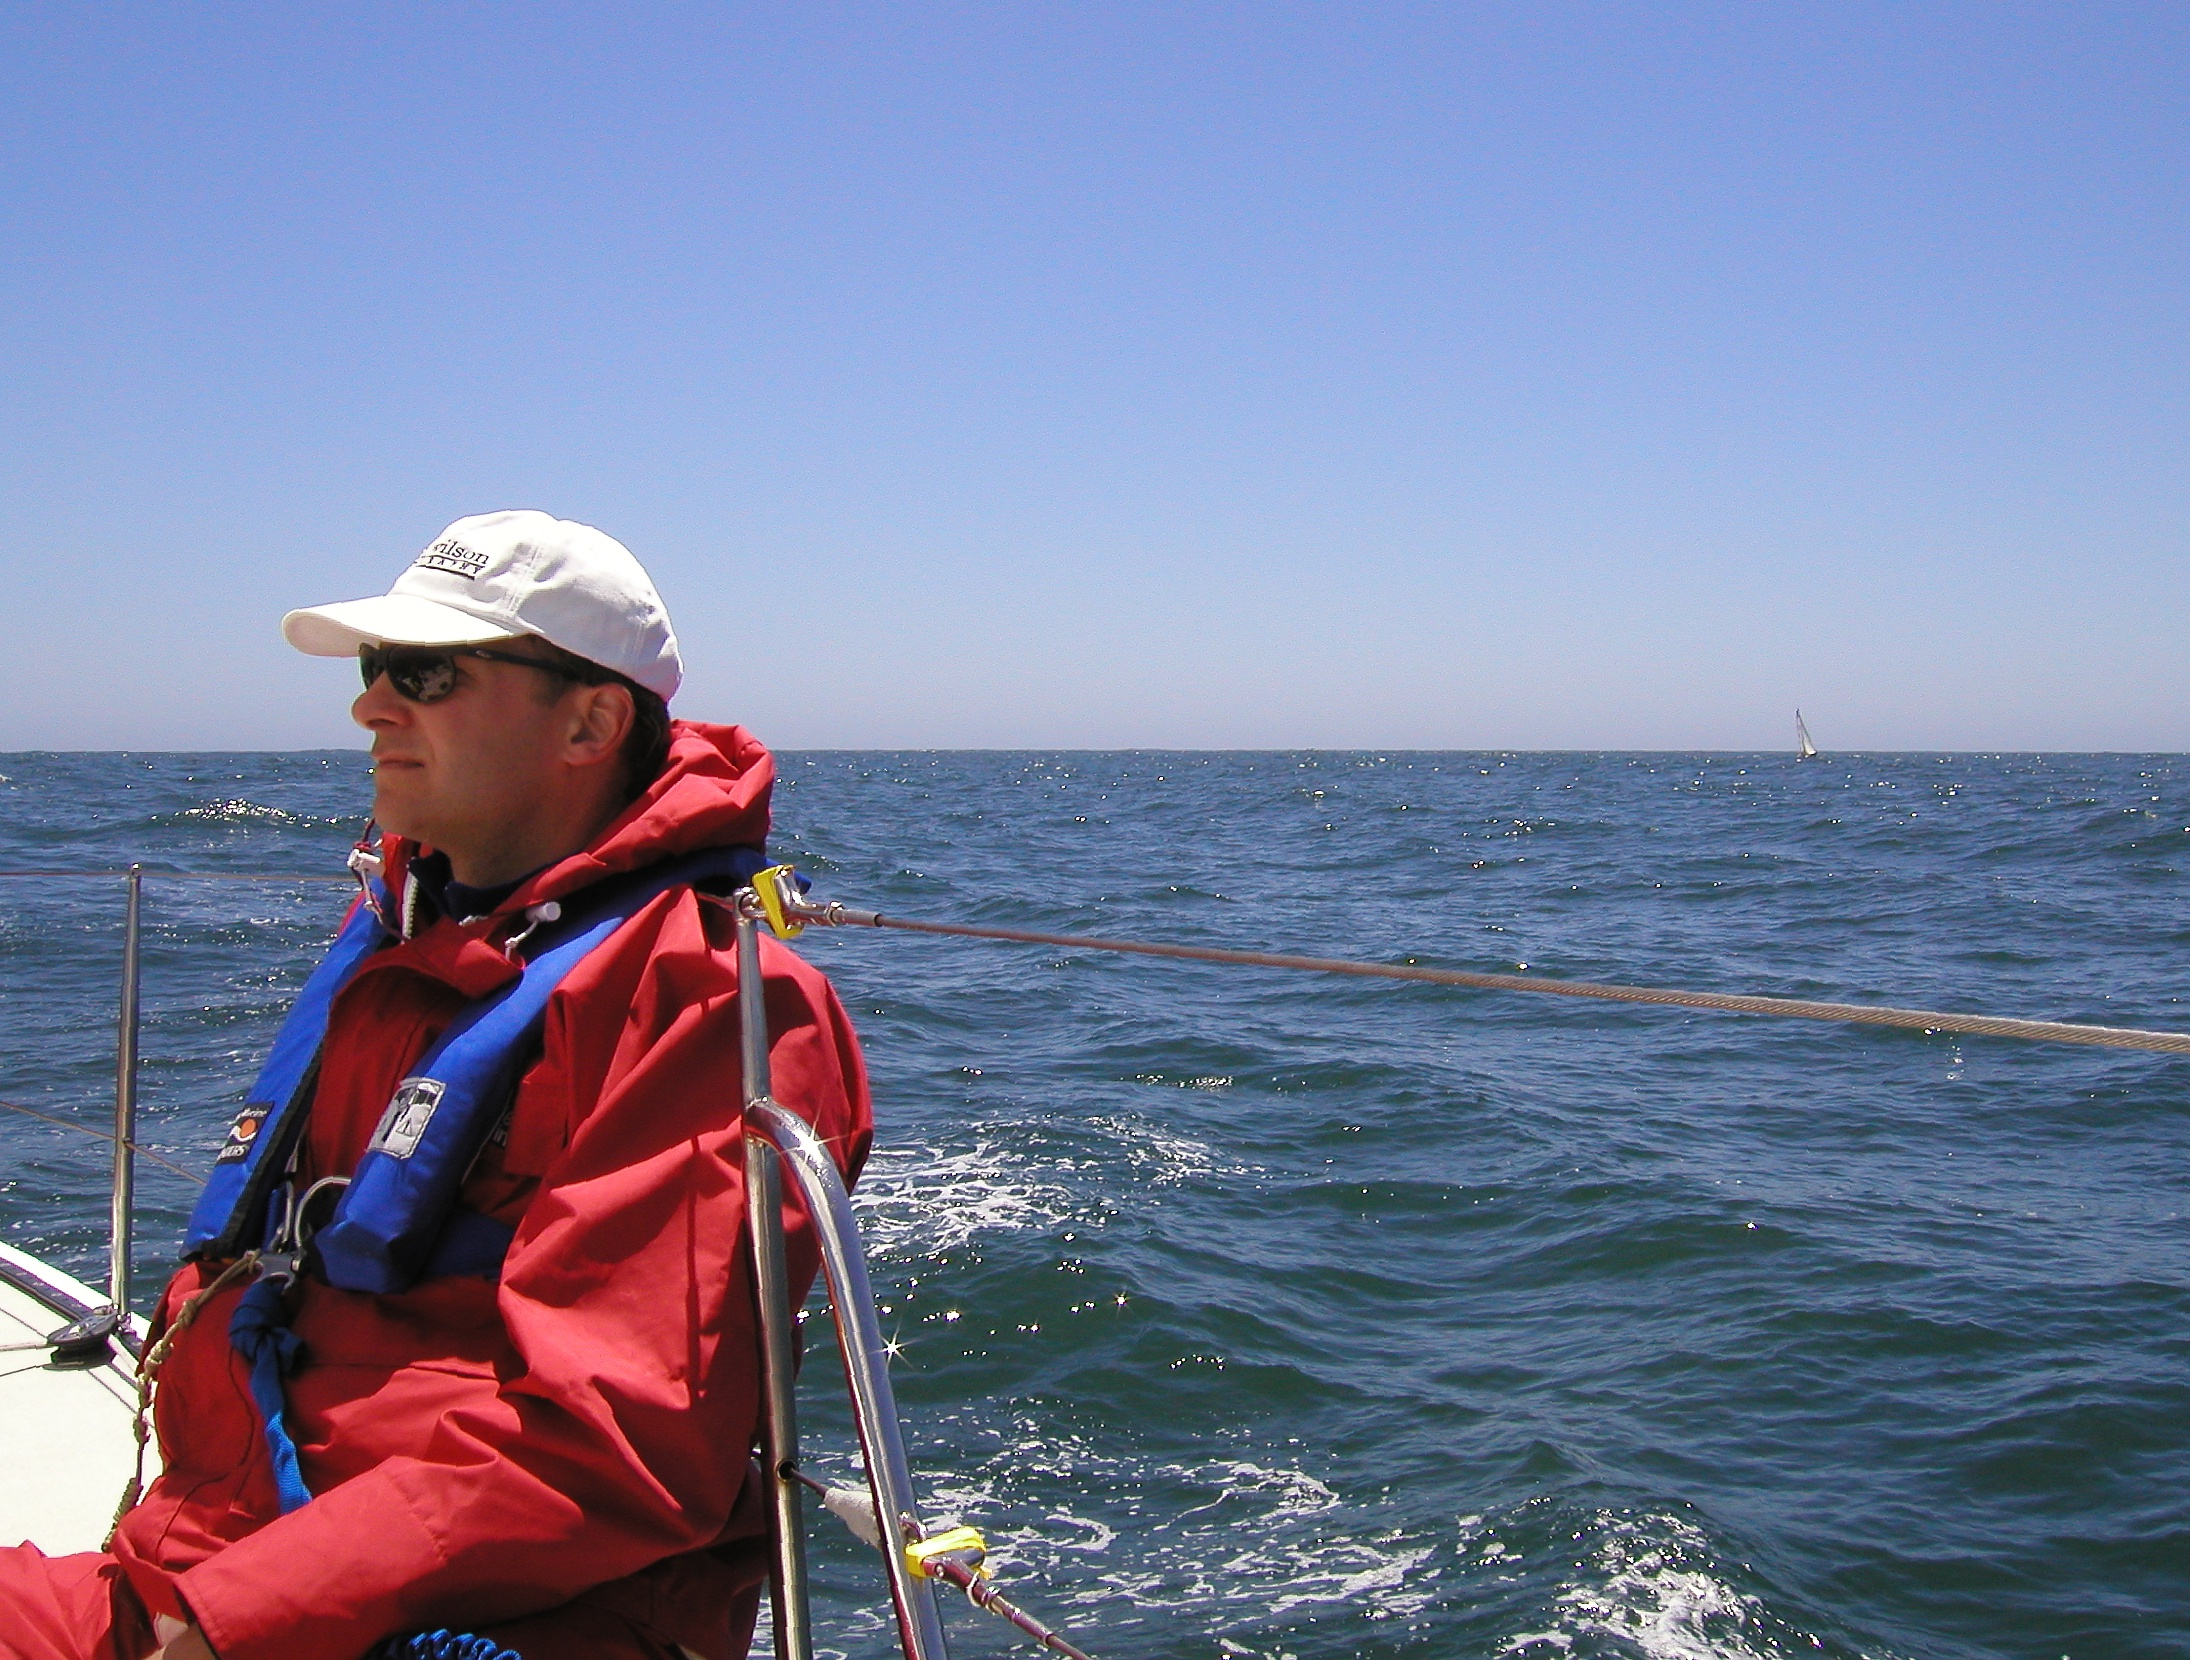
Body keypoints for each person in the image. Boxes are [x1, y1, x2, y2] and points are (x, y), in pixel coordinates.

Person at [0, 510, 871, 1660]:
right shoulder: (413, 946)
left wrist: (234, 1619)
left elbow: (616, 1439)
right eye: (375, 666)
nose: (370, 705)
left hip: (443, 1624)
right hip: (210, 1556)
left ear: (591, 722)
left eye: (424, 673)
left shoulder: (703, 1005)